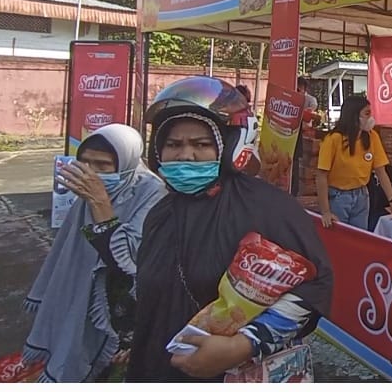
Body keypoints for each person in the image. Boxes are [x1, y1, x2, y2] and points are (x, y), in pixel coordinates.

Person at [126, 76, 334, 382]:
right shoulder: (160, 213)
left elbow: (314, 286)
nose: (185, 155)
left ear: (229, 147)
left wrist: (243, 345)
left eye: (201, 144)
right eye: (173, 144)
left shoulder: (268, 207)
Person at [21, 124, 166, 382]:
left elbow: (128, 255)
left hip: (124, 304)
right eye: (85, 163)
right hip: (84, 293)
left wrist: (100, 203)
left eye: (103, 165)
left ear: (126, 164)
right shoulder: (85, 196)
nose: (91, 172)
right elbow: (69, 251)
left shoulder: (152, 192)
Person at [316, 94, 392, 229]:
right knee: (339, 237)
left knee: (359, 236)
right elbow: (321, 176)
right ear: (354, 116)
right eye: (367, 113)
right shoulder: (333, 139)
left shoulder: (372, 137)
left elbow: (381, 172)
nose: (371, 118)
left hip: (362, 196)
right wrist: (326, 211)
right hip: (338, 197)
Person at [291, 76, 320, 197]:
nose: (298, 91)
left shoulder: (310, 100)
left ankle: (294, 190)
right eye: (296, 89)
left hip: (301, 133)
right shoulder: (290, 99)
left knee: (295, 162)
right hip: (289, 134)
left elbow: (310, 116)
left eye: (300, 89)